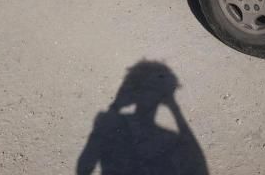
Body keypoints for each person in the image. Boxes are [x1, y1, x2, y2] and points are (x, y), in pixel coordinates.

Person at [76, 61, 208, 175]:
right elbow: (198, 166)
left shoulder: (108, 125)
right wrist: (174, 108)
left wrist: (115, 107)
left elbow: (84, 166)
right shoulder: (169, 138)